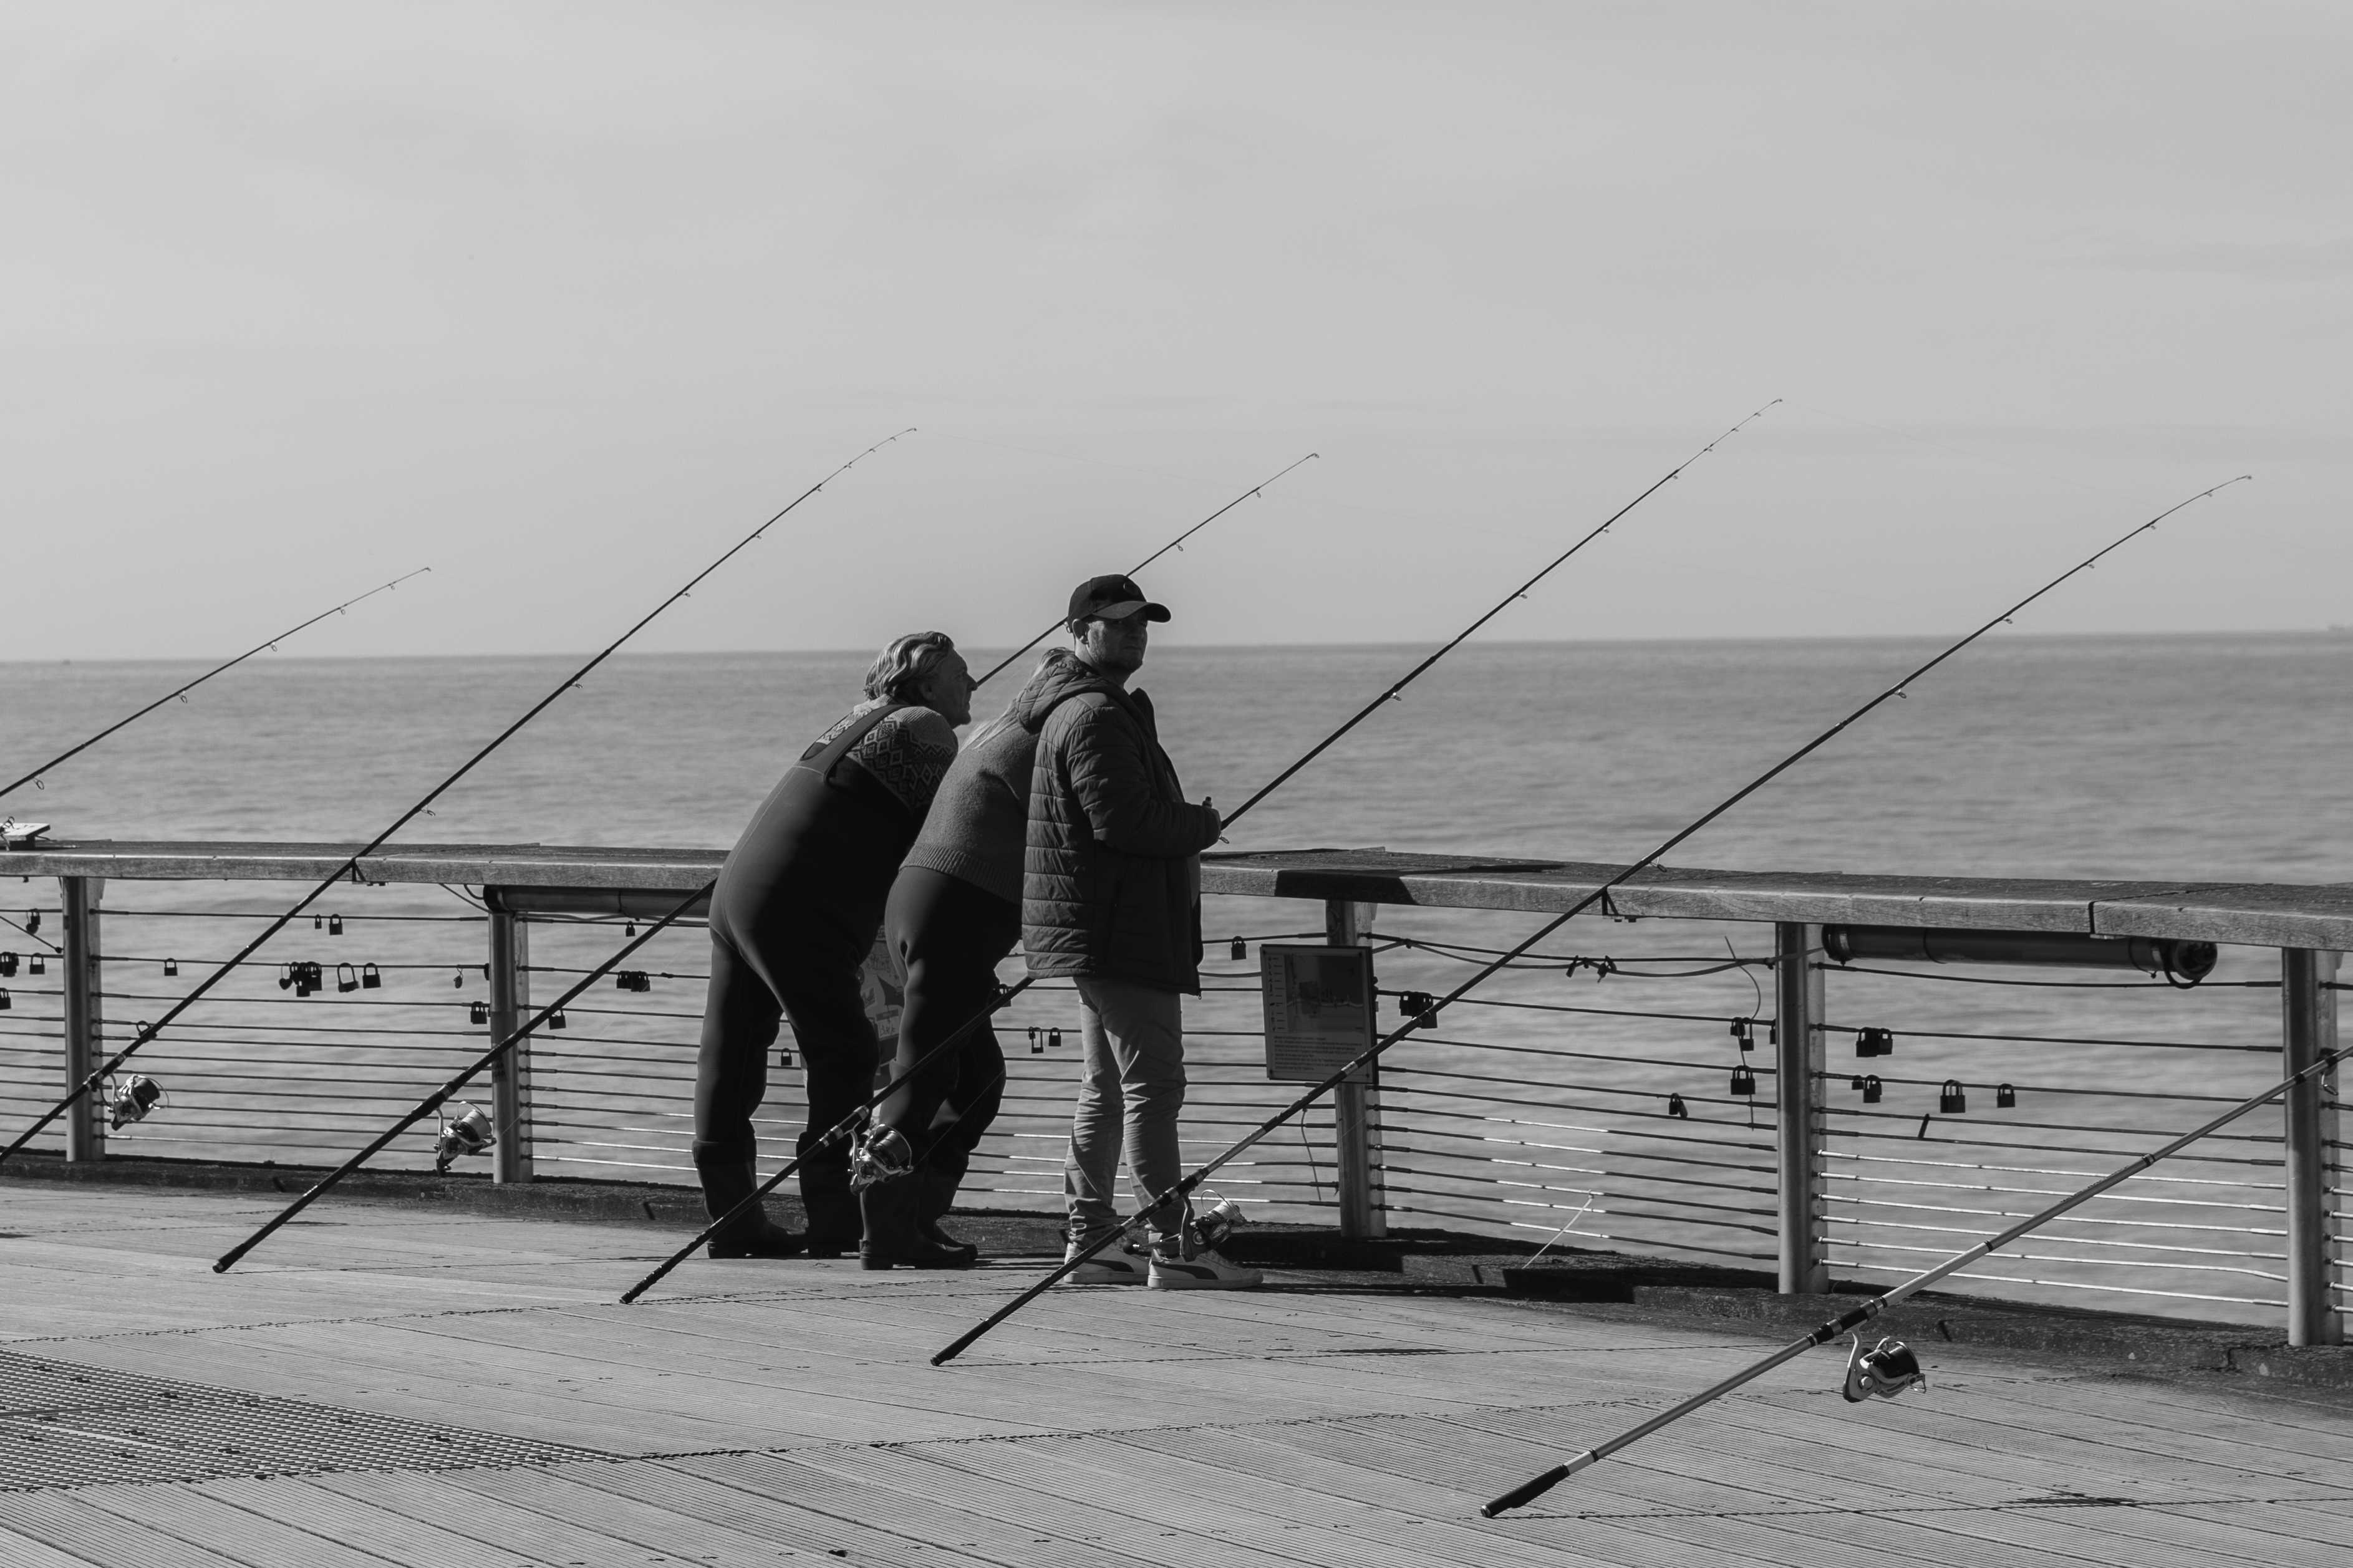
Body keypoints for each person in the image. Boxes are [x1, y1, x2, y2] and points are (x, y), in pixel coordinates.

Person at [692, 632, 973, 1259]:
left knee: (732, 1055)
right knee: (844, 1051)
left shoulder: (855, 719)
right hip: (799, 908)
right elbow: (942, 844)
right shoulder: (926, 728)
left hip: (736, 893)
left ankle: (732, 1219)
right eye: (961, 673)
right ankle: (834, 1217)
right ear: (926, 685)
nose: (971, 684)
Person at [1023, 574, 1261, 1289]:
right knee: (1153, 1089)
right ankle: (1173, 1246)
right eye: (1117, 622)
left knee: (1105, 1087)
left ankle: (1092, 1239)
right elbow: (1121, 822)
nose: (1134, 633)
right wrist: (1202, 823)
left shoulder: (1086, 708)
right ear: (1078, 631)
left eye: (1142, 624)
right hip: (1119, 928)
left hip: (1099, 927)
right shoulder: (1094, 715)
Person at [854, 655, 1073, 1269]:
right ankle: (885, 1230)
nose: (972, 682)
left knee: (973, 1079)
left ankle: (915, 1217)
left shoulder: (992, 734)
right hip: (945, 924)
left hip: (927, 915)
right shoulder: (1036, 742)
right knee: (921, 1079)